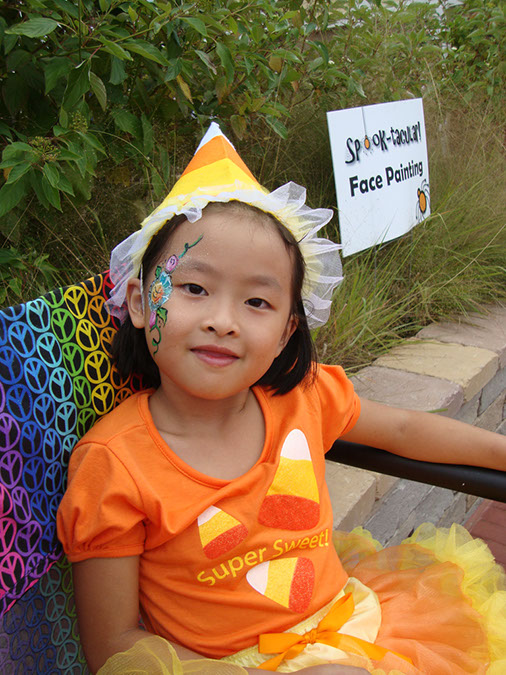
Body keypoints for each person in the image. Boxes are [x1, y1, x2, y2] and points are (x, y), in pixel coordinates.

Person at [57, 123, 506, 675]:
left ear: (288, 330)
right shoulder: (115, 464)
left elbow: (405, 431)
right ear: (140, 302)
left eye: (257, 302)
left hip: (355, 627)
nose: (223, 321)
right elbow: (114, 645)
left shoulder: (300, 395)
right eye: (194, 288)